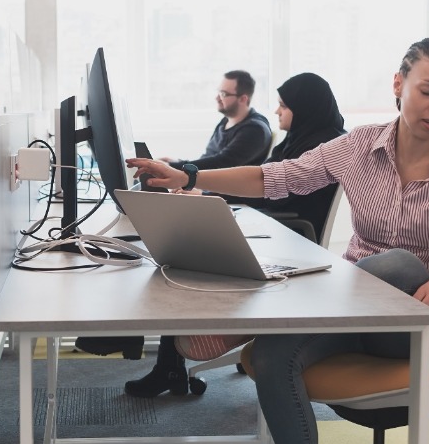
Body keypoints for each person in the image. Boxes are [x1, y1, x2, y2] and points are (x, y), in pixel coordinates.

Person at [128, 37, 429, 444]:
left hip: (413, 324)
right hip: (345, 314)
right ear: (399, 85)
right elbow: (275, 178)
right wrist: (189, 177)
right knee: (274, 358)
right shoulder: (358, 146)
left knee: (395, 264)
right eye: (428, 90)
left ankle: (250, 320)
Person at [120, 72, 349, 398]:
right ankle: (170, 365)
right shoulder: (298, 139)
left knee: (187, 251)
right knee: (186, 241)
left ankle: (171, 365)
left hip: (289, 237)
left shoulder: (321, 147)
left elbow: (276, 194)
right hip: (270, 226)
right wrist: (207, 194)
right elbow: (265, 184)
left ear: (305, 108)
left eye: (284, 106)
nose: (277, 111)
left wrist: (210, 195)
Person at [161, 70, 272, 171]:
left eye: (223, 94)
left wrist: (173, 167)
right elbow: (209, 159)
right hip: (207, 183)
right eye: (219, 92)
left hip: (223, 187)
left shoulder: (255, 130)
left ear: (243, 99)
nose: (217, 98)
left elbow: (221, 163)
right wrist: (178, 162)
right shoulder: (225, 121)